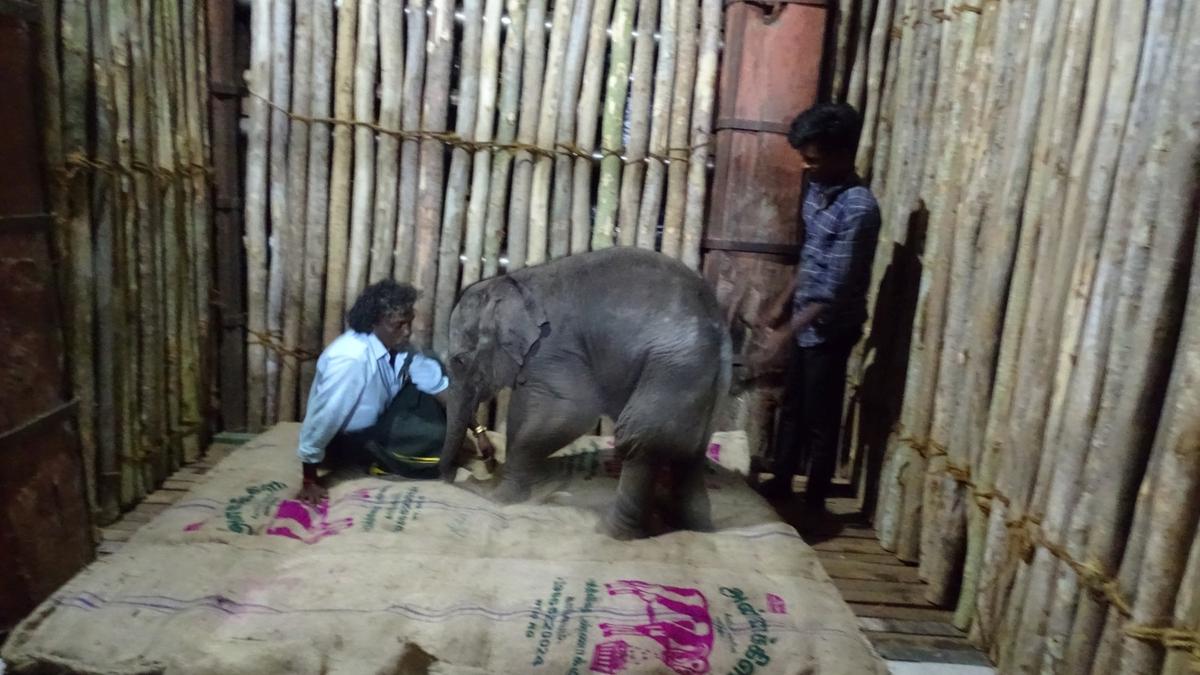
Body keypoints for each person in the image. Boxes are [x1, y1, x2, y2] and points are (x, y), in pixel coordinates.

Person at [751, 102, 882, 512]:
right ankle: (783, 481)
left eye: (814, 159)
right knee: (792, 407)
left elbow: (836, 290)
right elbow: (811, 259)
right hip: (807, 319)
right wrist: (781, 305)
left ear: (843, 155)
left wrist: (786, 334)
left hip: (831, 328)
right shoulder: (819, 190)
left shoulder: (859, 209)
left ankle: (815, 501)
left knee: (820, 419)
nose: (807, 168)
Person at [295, 280, 492, 505]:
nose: (407, 331)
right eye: (399, 325)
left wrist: (479, 431)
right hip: (348, 440)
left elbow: (440, 387)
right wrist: (309, 479)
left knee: (431, 362)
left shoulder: (398, 346)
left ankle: (403, 451)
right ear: (373, 324)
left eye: (409, 323)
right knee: (437, 445)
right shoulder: (351, 360)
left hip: (384, 413)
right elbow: (324, 417)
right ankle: (373, 461)